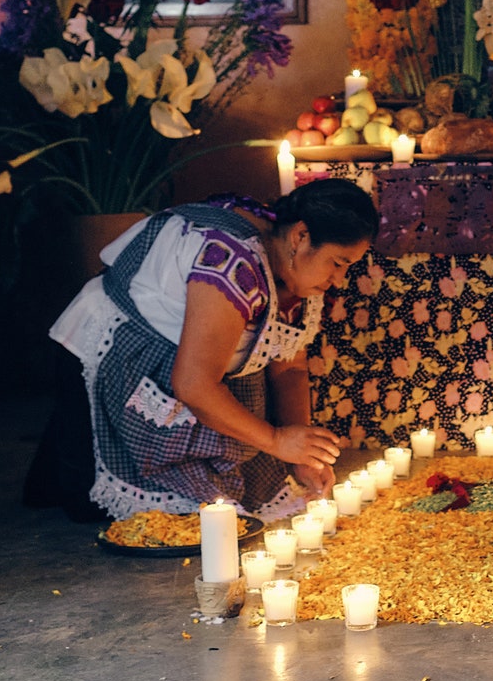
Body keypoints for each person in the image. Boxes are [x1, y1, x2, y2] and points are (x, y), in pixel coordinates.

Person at [30, 179, 377, 521]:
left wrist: (301, 452)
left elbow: (288, 367)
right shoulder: (229, 263)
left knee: (227, 499)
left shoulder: (293, 274)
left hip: (186, 368)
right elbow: (194, 384)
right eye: (338, 262)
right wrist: (275, 440)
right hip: (121, 358)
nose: (338, 280)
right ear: (300, 236)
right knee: (85, 498)